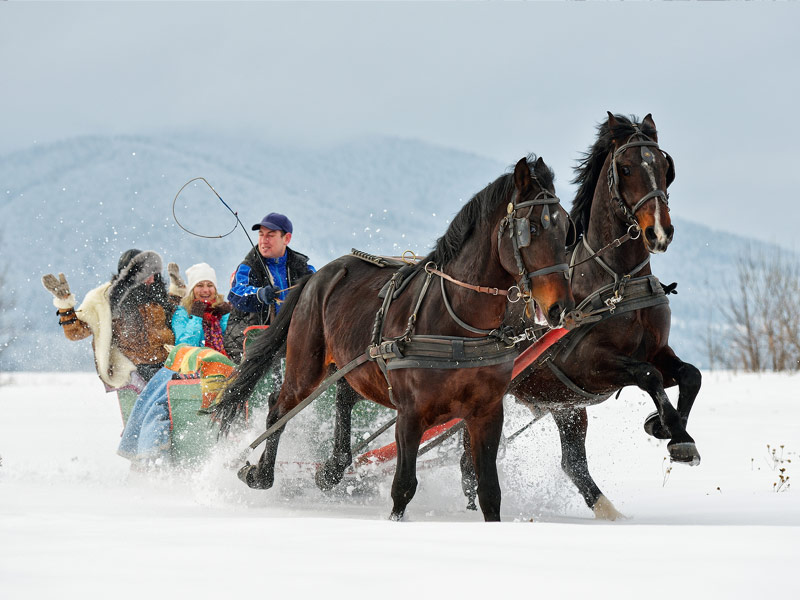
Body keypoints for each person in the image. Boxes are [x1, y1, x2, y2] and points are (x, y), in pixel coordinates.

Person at [42, 249, 183, 390]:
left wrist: (179, 289)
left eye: (153, 273)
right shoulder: (104, 300)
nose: (151, 279)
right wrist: (65, 303)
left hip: (167, 363)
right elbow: (76, 332)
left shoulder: (157, 296)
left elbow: (180, 318)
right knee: (167, 386)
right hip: (136, 370)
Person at [224, 212, 315, 362]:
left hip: (293, 337)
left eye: (270, 235)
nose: (263, 241)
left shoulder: (303, 267)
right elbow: (236, 293)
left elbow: (319, 288)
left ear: (287, 238)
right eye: (261, 235)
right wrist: (259, 294)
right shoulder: (248, 266)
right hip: (248, 341)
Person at [171, 262, 232, 355]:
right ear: (192, 290)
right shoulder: (182, 312)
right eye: (200, 285)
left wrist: (227, 316)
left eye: (210, 285)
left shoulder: (221, 310)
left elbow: (233, 343)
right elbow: (184, 348)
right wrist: (196, 318)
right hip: (195, 367)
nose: (206, 290)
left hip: (223, 366)